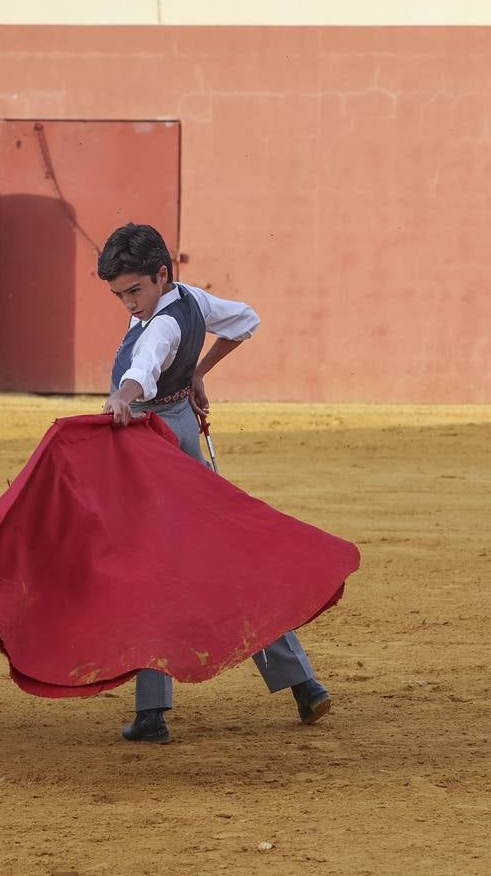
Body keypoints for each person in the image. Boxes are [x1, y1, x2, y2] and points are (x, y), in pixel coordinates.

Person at [98, 222, 332, 744]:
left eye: (135, 291)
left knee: (146, 569)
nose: (129, 305)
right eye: (119, 295)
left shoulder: (160, 325)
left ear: (162, 274)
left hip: (149, 443)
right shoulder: (192, 300)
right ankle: (304, 685)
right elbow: (246, 320)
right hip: (180, 429)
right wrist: (199, 372)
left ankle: (153, 712)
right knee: (227, 562)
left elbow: (144, 365)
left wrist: (124, 396)